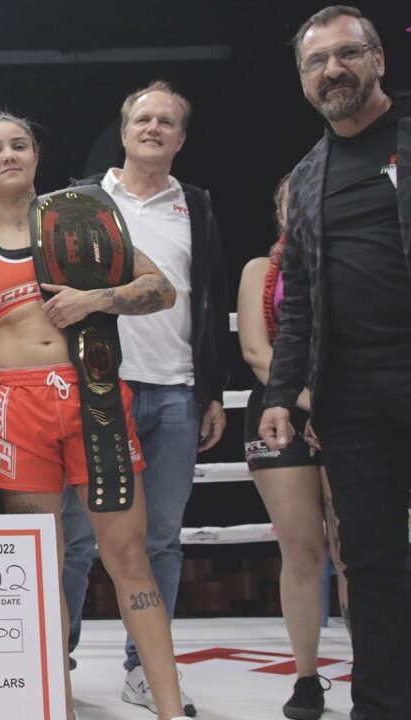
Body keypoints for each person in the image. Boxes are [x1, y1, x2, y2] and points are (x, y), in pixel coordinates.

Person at [0, 111, 186, 720]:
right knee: (40, 570)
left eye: (20, 144)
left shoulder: (84, 223)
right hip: (19, 407)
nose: (9, 154)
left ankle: (171, 709)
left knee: (130, 558)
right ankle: (56, 709)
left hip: (92, 396)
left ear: (36, 157)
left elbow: (162, 290)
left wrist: (99, 297)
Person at [59, 80, 230, 718]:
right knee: (77, 539)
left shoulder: (201, 206)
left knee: (161, 539)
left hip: (177, 393)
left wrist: (211, 389)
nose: (153, 129)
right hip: (97, 391)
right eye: (143, 119)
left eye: (167, 122)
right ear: (124, 130)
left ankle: (143, 670)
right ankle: (59, 661)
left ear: (181, 137)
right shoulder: (79, 201)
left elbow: (206, 303)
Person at [260, 6, 410, 719]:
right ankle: (380, 707)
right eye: (316, 63)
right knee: (373, 563)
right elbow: (300, 304)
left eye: (347, 55)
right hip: (351, 394)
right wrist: (281, 391)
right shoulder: (310, 175)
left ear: (379, 59)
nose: (333, 71)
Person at [240, 177, 345, 720]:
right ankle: (307, 678)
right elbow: (258, 351)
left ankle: (377, 669)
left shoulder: (349, 261)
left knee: (356, 550)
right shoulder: (260, 270)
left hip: (351, 409)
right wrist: (309, 403)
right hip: (281, 411)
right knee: (302, 550)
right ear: (281, 208)